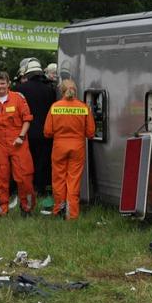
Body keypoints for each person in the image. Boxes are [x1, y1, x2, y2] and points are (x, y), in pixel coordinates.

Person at [0, 71, 36, 216]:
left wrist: (21, 136)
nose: (0, 86)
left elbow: (27, 120)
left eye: (3, 83)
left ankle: (26, 208)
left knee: (24, 177)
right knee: (0, 179)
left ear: (8, 84)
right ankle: (0, 211)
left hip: (18, 142)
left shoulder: (18, 99)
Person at [43, 79, 95, 219]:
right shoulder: (83, 108)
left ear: (61, 91)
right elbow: (90, 133)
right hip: (77, 147)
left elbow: (47, 132)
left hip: (59, 146)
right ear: (75, 91)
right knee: (73, 180)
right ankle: (71, 214)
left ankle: (59, 210)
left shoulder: (55, 107)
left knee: (58, 179)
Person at [17, 58, 56, 199]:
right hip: (46, 133)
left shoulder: (20, 89)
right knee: (43, 162)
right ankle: (42, 188)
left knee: (28, 162)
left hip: (26, 132)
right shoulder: (50, 90)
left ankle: (29, 187)